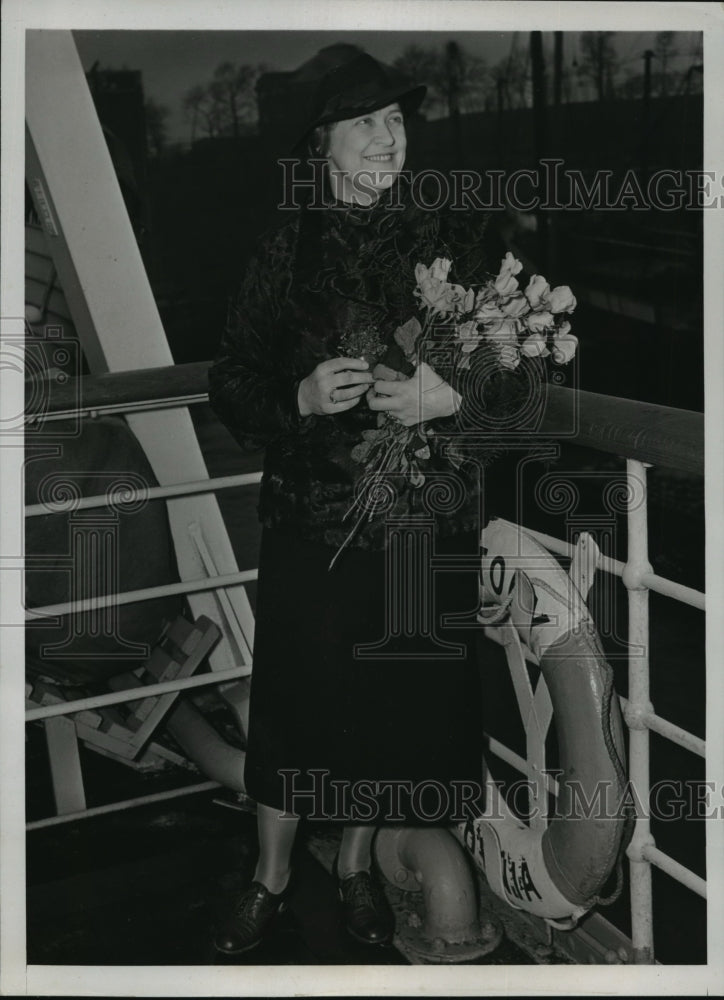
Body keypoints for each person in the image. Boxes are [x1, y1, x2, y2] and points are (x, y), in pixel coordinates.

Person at [207, 51, 533, 956]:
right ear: (324, 146)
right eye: (366, 123)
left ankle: (354, 869)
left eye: (396, 119)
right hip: (315, 523)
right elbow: (232, 376)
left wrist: (450, 396)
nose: (389, 137)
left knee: (387, 717)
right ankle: (269, 878)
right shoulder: (287, 247)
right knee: (296, 712)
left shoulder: (457, 238)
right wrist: (300, 399)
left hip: (419, 520)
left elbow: (527, 365)